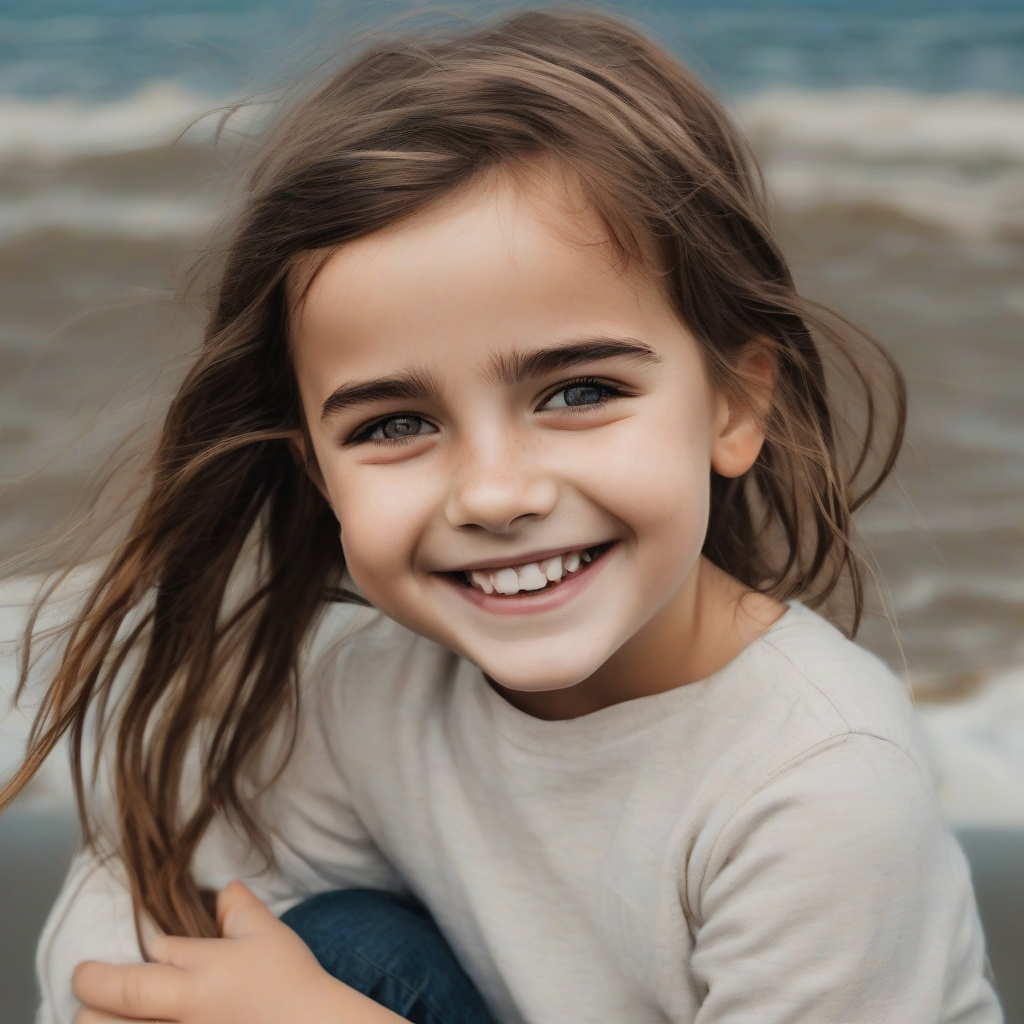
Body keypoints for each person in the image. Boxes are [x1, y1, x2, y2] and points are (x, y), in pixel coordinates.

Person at [1, 9, 1002, 1024]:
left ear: (735, 407)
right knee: (310, 940)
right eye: (396, 422)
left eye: (577, 392)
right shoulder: (370, 694)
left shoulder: (816, 782)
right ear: (318, 473)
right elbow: (130, 895)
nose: (493, 493)